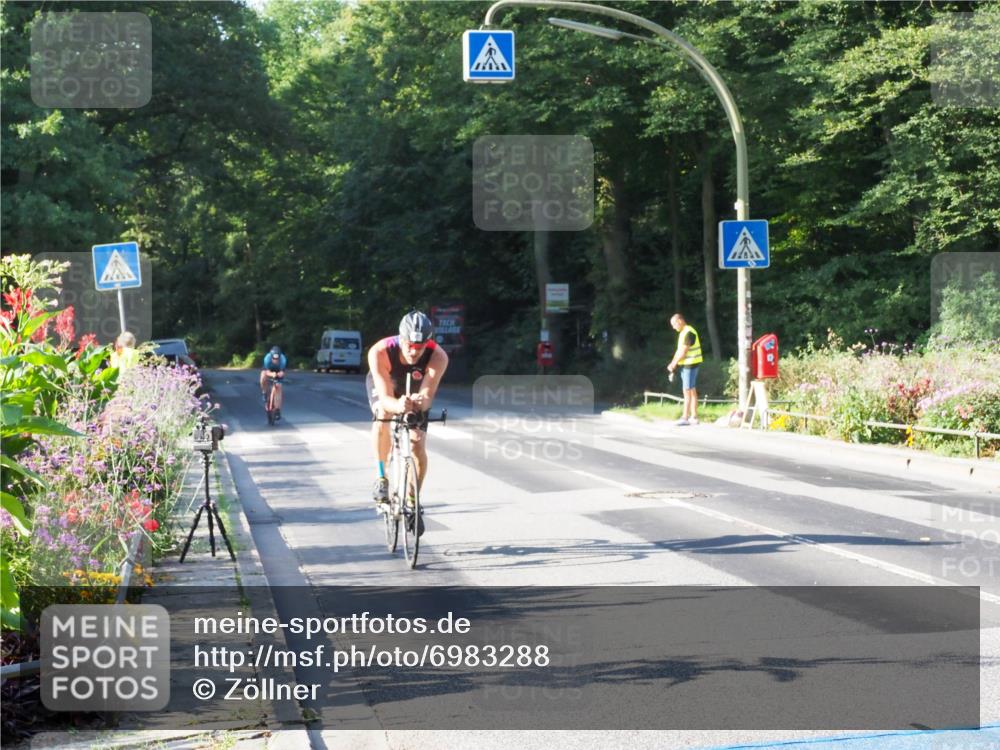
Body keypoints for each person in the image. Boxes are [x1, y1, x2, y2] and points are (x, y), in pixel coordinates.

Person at [367, 311, 449, 532]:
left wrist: (418, 402)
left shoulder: (438, 356)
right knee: (382, 416)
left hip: (415, 389)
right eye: (410, 345)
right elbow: (386, 398)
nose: (414, 351)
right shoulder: (380, 351)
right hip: (388, 385)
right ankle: (381, 477)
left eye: (420, 347)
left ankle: (413, 499)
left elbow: (427, 396)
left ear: (428, 343)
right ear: (401, 339)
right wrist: (398, 406)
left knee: (417, 443)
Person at [666, 313, 703, 426]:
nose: (673, 327)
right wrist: (673, 363)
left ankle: (685, 417)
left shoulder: (689, 332)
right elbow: (679, 351)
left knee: (687, 391)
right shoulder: (683, 332)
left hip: (690, 364)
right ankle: (694, 417)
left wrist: (674, 364)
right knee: (691, 390)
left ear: (680, 321)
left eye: (674, 324)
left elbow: (683, 352)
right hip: (687, 365)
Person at [260, 346, 287, 417]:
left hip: (278, 370)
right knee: (263, 377)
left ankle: (277, 409)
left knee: (279, 387)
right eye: (274, 359)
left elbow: (282, 372)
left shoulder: (283, 360)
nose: (275, 360)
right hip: (268, 369)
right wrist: (272, 374)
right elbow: (266, 372)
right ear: (271, 357)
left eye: (277, 359)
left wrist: (280, 374)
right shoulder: (267, 359)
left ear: (280, 357)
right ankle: (264, 392)